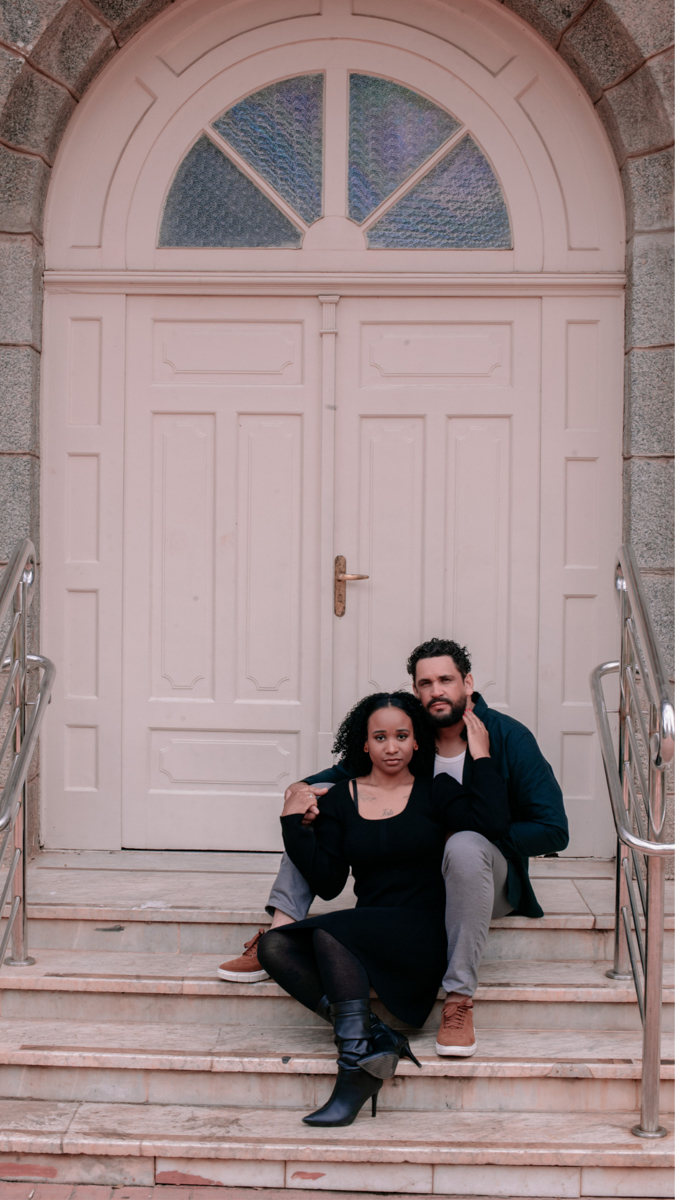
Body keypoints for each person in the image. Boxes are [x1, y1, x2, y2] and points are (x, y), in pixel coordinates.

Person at [219, 637, 569, 1057]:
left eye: (446, 680)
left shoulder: (506, 737)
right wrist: (301, 789)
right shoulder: (412, 732)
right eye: (426, 683)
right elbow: (349, 771)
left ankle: (458, 1000)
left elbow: (553, 830)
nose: (436, 691)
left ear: (468, 683)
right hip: (416, 883)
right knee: (319, 804)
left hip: (483, 876)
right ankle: (281, 931)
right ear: (415, 690)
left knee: (464, 844)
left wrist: (455, 831)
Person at [256, 691, 510, 1126]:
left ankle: (354, 1065)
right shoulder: (342, 798)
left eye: (401, 736)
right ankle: (375, 1038)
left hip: (423, 931)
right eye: (380, 737)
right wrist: (292, 824)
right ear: (365, 743)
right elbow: (329, 883)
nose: (391, 747)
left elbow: (493, 824)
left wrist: (481, 755)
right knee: (274, 946)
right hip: (371, 929)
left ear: (417, 741)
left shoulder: (436, 790)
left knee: (329, 934)